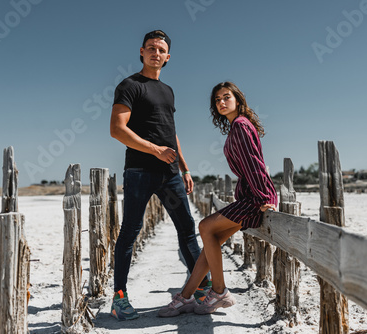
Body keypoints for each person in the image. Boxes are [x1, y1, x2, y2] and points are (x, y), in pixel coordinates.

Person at [109, 30, 208, 321]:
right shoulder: (129, 85)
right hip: (140, 172)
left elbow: (170, 132)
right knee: (130, 232)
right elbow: (117, 129)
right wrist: (154, 150)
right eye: (150, 48)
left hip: (170, 174)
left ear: (167, 57)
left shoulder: (168, 91)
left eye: (161, 49)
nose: (155, 52)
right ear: (141, 52)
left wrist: (185, 167)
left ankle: (201, 290)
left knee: (187, 230)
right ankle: (120, 298)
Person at [158, 82, 278, 317]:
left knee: (205, 226)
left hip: (254, 197)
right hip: (249, 194)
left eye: (226, 97)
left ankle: (220, 291)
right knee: (209, 244)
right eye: (217, 100)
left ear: (238, 100)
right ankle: (185, 297)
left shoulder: (242, 126)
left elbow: (255, 163)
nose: (222, 102)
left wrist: (266, 196)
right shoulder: (237, 127)